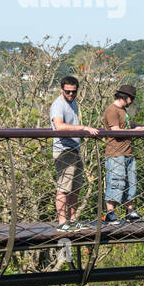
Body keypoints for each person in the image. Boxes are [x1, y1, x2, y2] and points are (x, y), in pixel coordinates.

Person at [50, 76, 101, 231]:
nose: (71, 94)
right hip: (63, 150)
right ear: (61, 90)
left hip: (74, 149)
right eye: (67, 92)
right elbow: (58, 126)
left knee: (75, 187)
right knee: (64, 187)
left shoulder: (72, 103)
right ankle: (62, 222)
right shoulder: (58, 104)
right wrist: (83, 128)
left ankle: (72, 220)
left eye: (74, 92)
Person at [100, 84, 144, 224]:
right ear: (127, 98)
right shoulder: (112, 110)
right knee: (115, 183)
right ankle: (110, 214)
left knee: (131, 183)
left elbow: (127, 124)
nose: (132, 102)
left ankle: (130, 212)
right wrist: (136, 131)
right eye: (132, 99)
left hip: (127, 152)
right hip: (116, 153)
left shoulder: (122, 110)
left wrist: (143, 127)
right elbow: (116, 130)